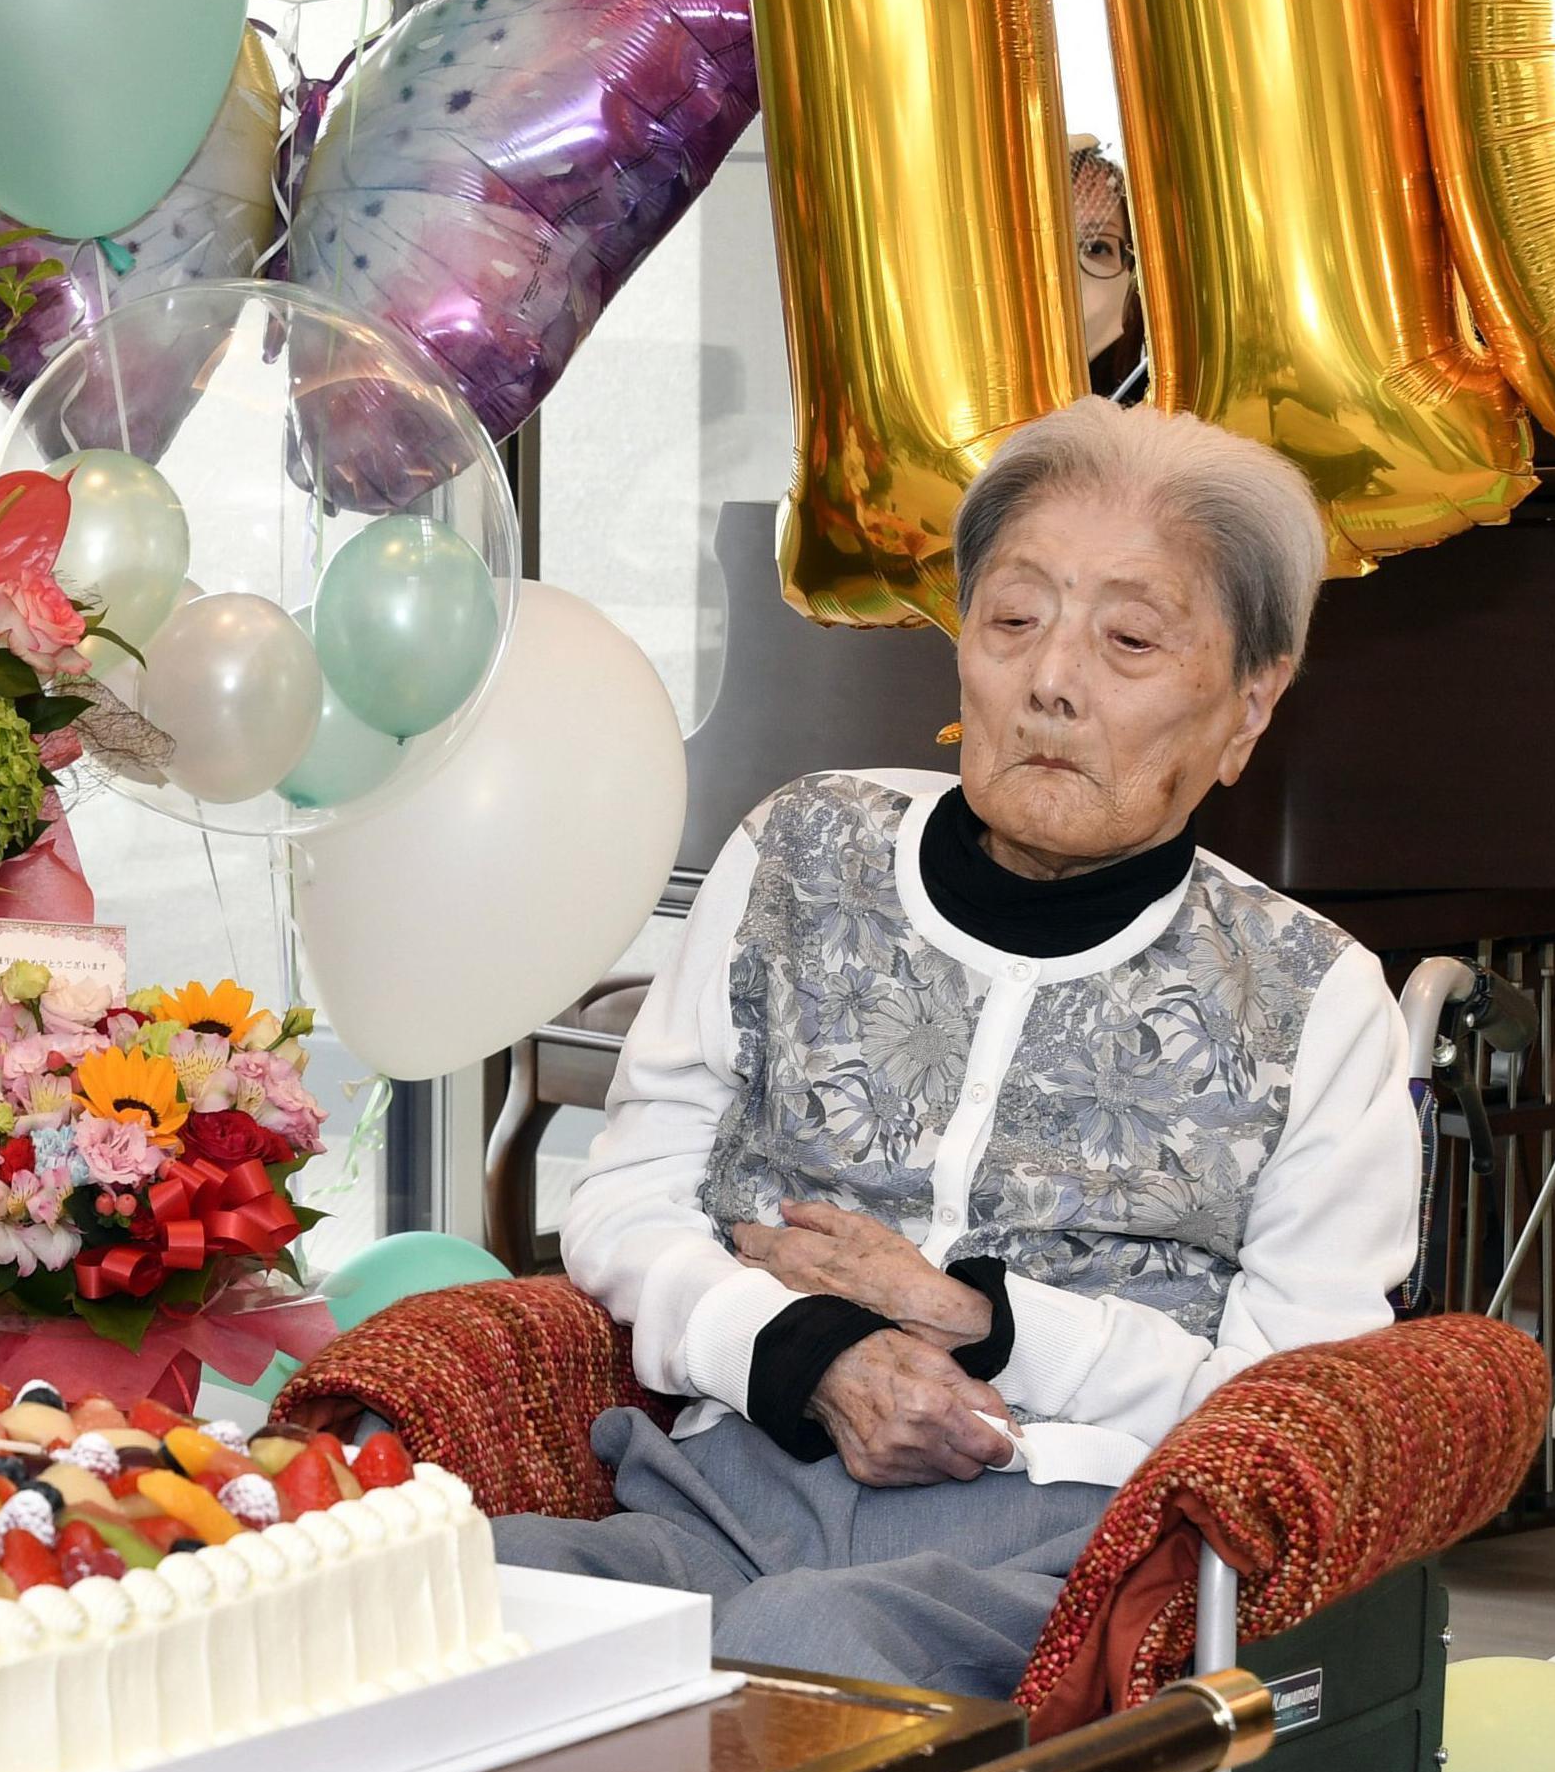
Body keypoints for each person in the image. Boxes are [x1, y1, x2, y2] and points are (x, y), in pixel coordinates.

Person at [496, 399, 1416, 1696]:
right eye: (1014, 619)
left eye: (1130, 640)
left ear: (1247, 709)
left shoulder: (1316, 999)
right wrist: (804, 1353)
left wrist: (987, 1322)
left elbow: (1299, 1412)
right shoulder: (801, 854)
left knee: (801, 1658)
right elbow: (629, 1198)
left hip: (1054, 1554)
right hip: (717, 1492)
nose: (1051, 682)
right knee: (452, 1608)